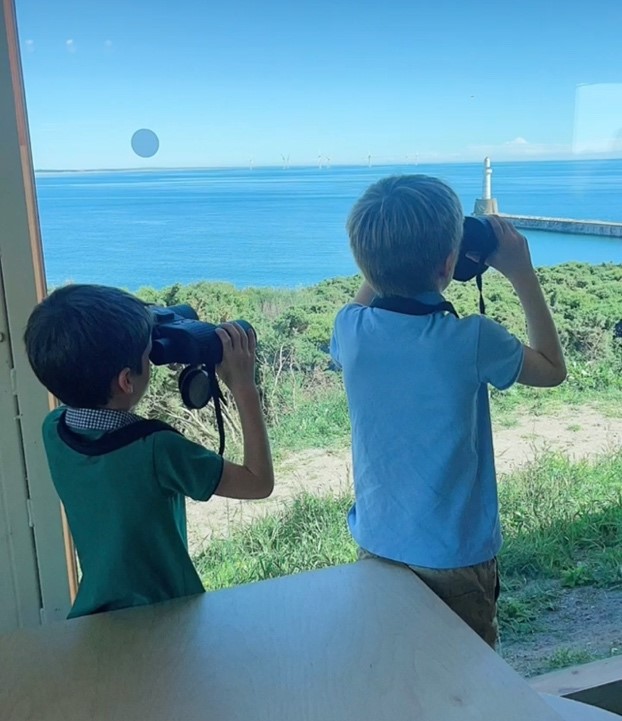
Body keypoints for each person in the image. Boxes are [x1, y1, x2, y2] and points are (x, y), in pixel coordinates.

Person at [330, 175, 566, 647]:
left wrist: (386, 261)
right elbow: (552, 369)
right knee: (466, 688)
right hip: (455, 558)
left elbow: (373, 293)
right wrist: (521, 271)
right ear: (448, 264)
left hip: (378, 546)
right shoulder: (472, 338)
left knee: (392, 670)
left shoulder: (350, 330)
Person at [24, 284, 274, 619]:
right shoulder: (156, 450)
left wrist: (138, 326)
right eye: (148, 354)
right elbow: (258, 482)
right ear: (127, 380)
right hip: (166, 616)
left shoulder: (54, 429)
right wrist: (244, 385)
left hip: (96, 617)